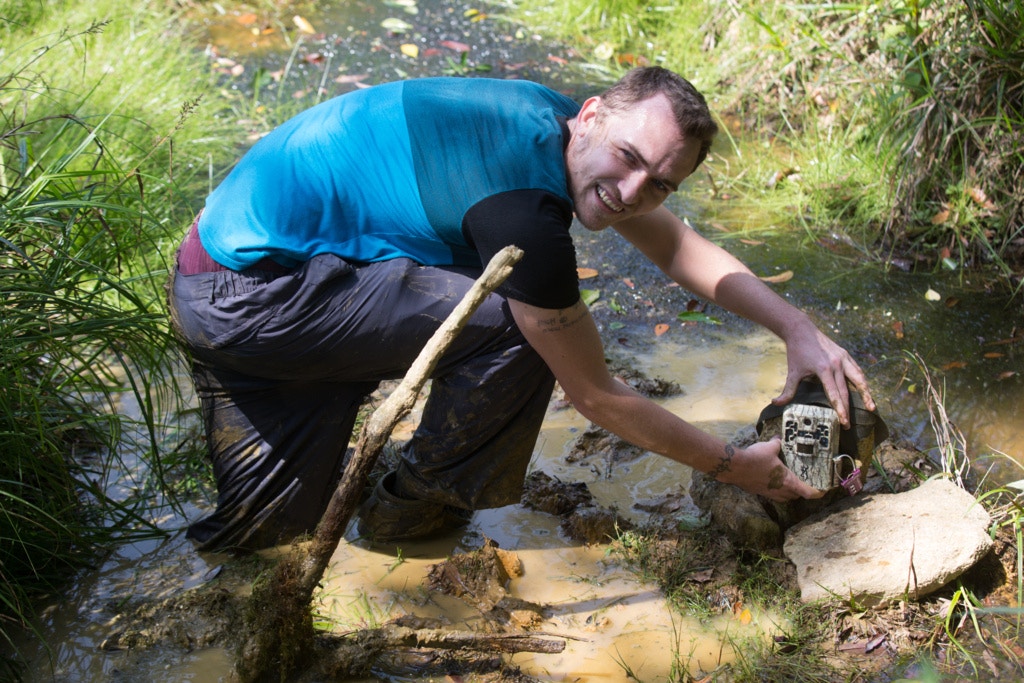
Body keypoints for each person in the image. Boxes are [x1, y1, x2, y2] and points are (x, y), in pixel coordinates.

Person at [168, 67, 875, 553]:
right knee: (522, 322)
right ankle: (408, 513)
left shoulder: (555, 127)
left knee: (266, 538)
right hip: (252, 298)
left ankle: (307, 394)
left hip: (229, 272)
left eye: (659, 183)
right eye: (629, 158)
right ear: (594, 115)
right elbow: (595, 395)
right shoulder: (526, 218)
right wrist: (732, 464)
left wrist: (796, 326)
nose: (631, 192)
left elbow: (677, 245)